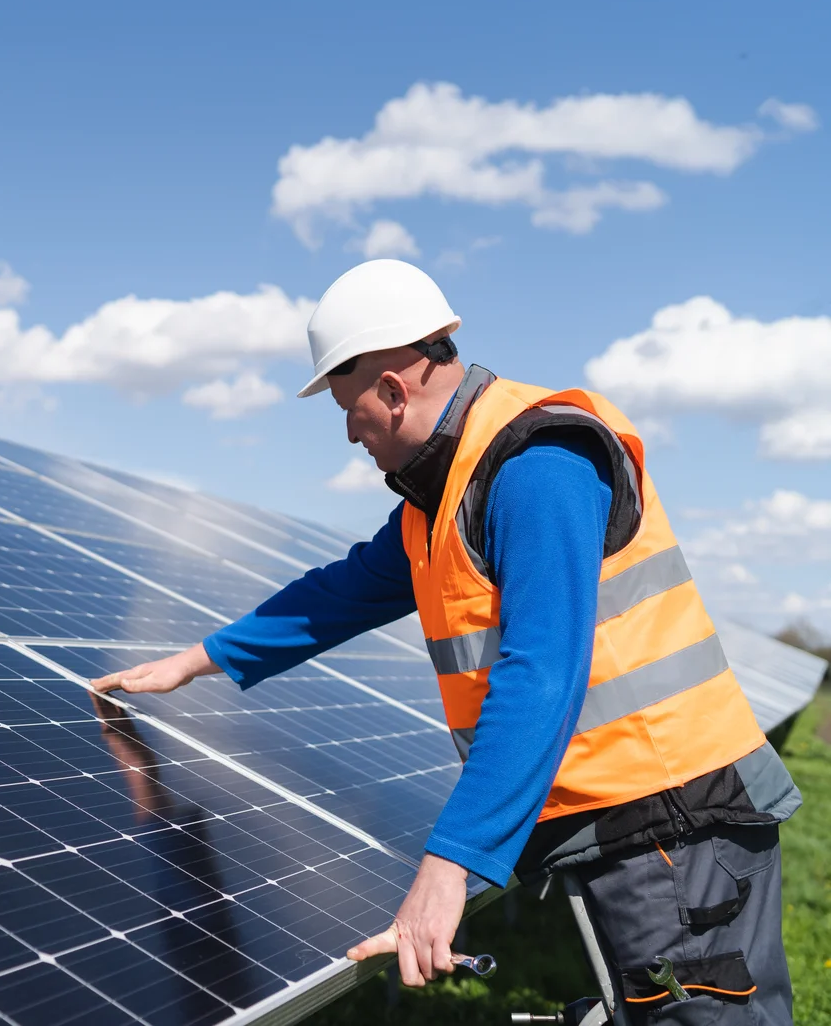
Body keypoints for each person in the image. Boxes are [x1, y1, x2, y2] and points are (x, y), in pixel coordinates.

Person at [90, 260, 799, 1024]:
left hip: (672, 822)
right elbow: (343, 590)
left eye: (349, 406)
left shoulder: (536, 466)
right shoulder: (445, 494)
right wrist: (199, 660)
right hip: (625, 821)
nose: (349, 432)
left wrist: (450, 864)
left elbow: (543, 674)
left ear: (395, 390)